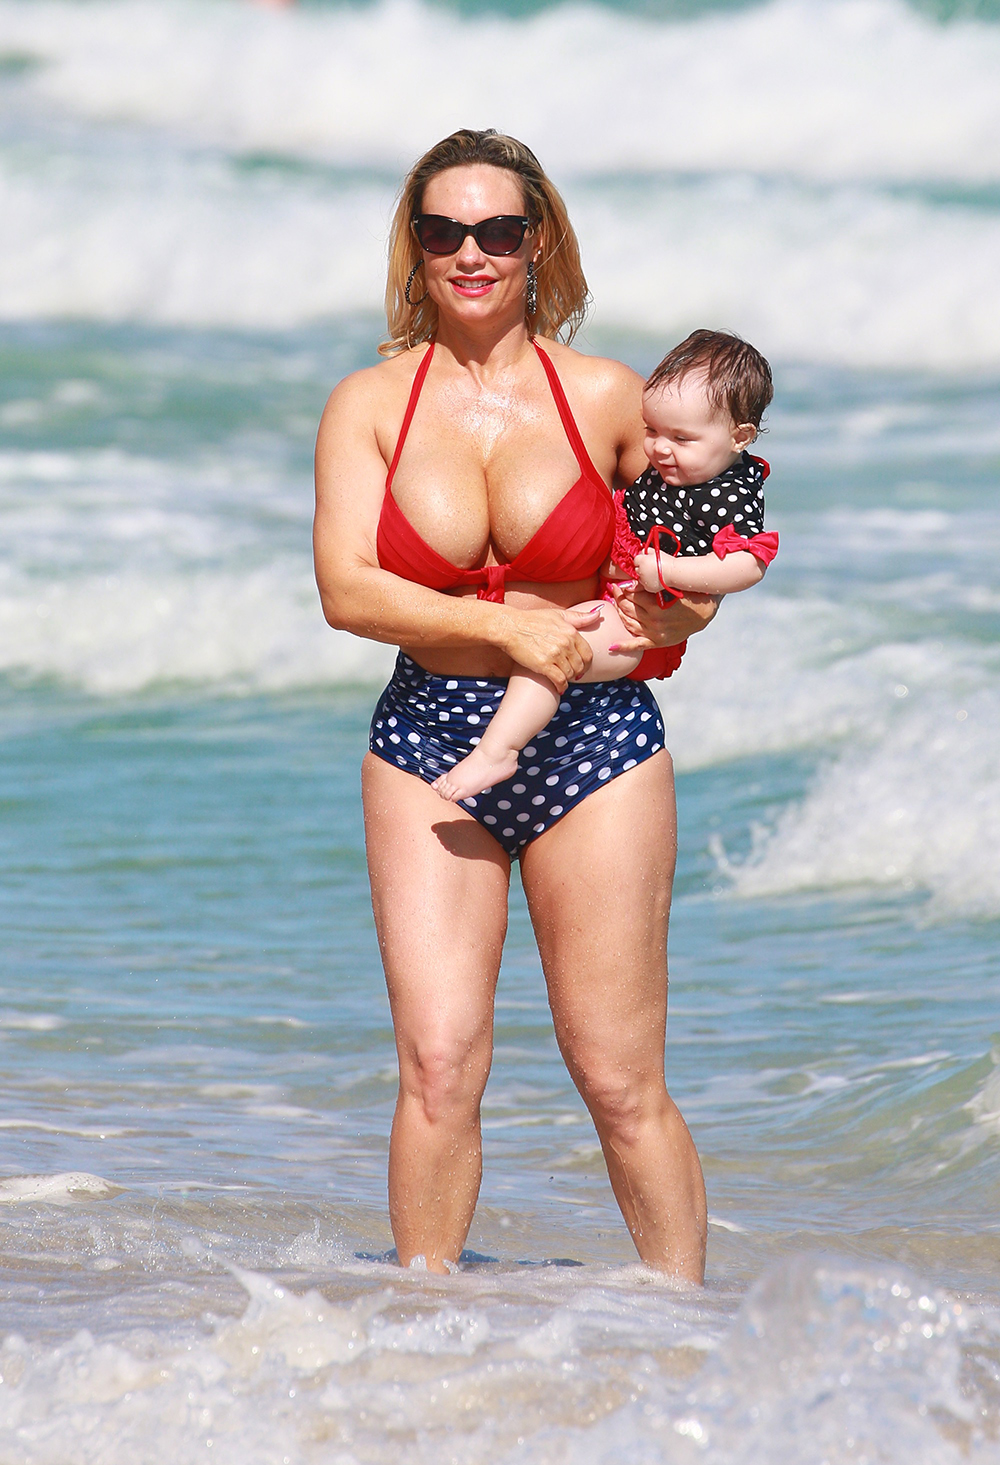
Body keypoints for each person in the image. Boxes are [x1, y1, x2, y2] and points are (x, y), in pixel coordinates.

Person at [313, 128, 715, 1282]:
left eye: (499, 230)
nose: (473, 253)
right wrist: (503, 625)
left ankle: (688, 1332)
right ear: (417, 245)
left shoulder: (607, 398)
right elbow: (348, 589)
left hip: (594, 742)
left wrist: (660, 617)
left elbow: (687, 581)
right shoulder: (370, 404)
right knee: (438, 1064)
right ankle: (425, 1335)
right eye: (446, 231)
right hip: (427, 737)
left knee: (616, 1073)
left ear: (538, 241)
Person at [431, 329, 778, 804]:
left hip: (631, 613)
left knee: (553, 652)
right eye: (651, 430)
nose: (658, 449)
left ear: (740, 437)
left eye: (681, 437)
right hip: (611, 589)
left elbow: (746, 566)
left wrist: (671, 576)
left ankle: (498, 751)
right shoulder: (676, 468)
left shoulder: (730, 493)